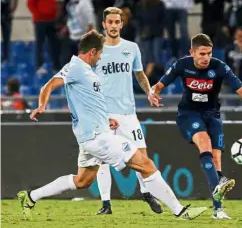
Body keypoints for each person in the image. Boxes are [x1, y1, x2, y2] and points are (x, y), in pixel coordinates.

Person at [17, 30, 208, 220]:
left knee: (82, 180)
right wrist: (42, 105)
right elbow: (48, 85)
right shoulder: (75, 67)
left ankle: (31, 197)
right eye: (100, 53)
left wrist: (105, 119)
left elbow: (87, 102)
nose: (100, 58)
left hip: (92, 134)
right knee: (145, 163)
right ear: (92, 52)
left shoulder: (85, 71)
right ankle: (180, 211)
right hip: (98, 137)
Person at [151, 33, 242, 219]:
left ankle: (218, 210)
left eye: (209, 53)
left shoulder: (219, 67)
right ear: (192, 52)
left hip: (212, 116)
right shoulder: (182, 65)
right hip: (188, 115)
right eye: (202, 54)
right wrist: (153, 93)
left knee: (216, 162)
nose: (206, 58)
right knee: (204, 142)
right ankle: (219, 186)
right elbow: (158, 86)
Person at [92, 7, 162, 215]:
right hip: (104, 114)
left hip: (128, 114)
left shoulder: (131, 48)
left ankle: (146, 192)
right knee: (102, 159)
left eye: (117, 22)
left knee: (142, 155)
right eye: (110, 22)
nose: (113, 26)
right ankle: (106, 204)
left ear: (122, 24)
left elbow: (140, 75)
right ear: (104, 24)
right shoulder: (95, 50)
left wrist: (149, 92)